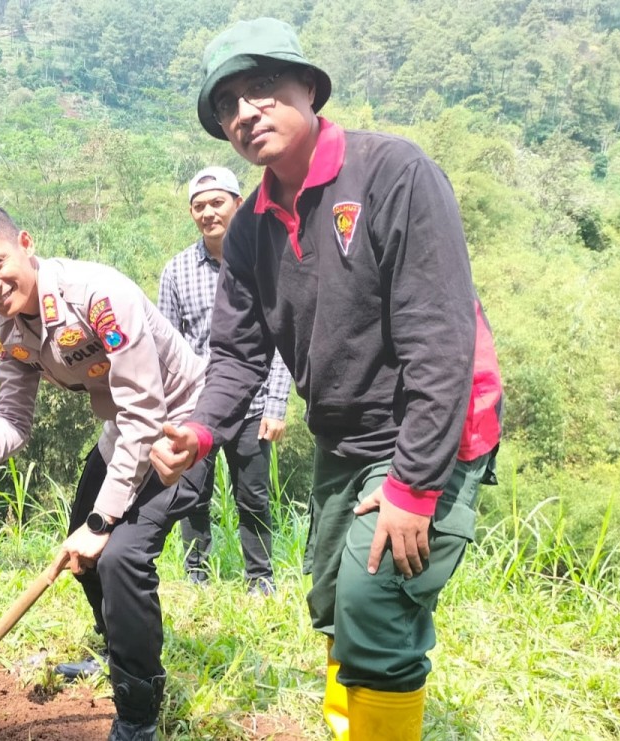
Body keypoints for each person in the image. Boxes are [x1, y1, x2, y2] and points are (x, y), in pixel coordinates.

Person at [150, 18, 503, 741]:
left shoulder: (393, 174)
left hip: (429, 429)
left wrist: (413, 485)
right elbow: (239, 354)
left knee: (374, 602)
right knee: (332, 602)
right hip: (345, 438)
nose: (245, 113)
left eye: (261, 90)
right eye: (227, 105)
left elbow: (443, 341)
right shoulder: (250, 228)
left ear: (307, 88)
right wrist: (200, 426)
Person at [0, 201, 212, 741]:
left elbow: (147, 412)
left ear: (26, 244)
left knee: (121, 556)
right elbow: (12, 420)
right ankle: (116, 651)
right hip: (122, 433)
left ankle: (138, 713)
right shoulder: (8, 323)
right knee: (81, 549)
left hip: (180, 431)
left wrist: (103, 525)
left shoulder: (100, 295)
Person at [158, 165, 293, 592]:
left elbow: (283, 338)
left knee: (253, 496)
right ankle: (197, 574)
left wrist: (275, 405)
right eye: (198, 206)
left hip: (253, 405)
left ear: (238, 204)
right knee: (191, 493)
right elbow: (167, 343)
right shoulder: (177, 271)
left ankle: (260, 578)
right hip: (197, 406)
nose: (207, 213)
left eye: (217, 203)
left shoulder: (264, 263)